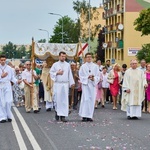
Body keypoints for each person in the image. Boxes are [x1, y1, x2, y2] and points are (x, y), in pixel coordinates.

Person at [50, 51, 75, 122]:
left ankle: (63, 116)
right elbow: (51, 73)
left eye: (64, 56)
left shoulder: (67, 65)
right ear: (59, 56)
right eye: (62, 56)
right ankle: (57, 112)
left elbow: (69, 74)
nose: (63, 58)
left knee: (64, 100)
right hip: (58, 84)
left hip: (65, 84)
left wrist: (71, 83)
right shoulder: (55, 64)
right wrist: (57, 73)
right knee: (57, 100)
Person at [0, 54, 22, 123]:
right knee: (2, 102)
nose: (3, 61)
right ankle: (3, 117)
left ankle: (9, 116)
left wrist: (16, 81)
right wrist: (1, 76)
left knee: (8, 101)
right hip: (1, 85)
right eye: (1, 60)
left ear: (6, 60)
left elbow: (12, 77)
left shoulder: (9, 68)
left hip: (7, 85)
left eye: (4, 60)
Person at [79, 53, 100, 122]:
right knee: (86, 99)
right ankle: (84, 115)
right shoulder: (83, 67)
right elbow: (81, 76)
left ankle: (89, 116)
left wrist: (94, 78)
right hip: (86, 85)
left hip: (92, 85)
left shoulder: (95, 66)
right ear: (85, 58)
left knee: (91, 100)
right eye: (87, 57)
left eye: (90, 57)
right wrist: (87, 77)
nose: (89, 58)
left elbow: (98, 76)